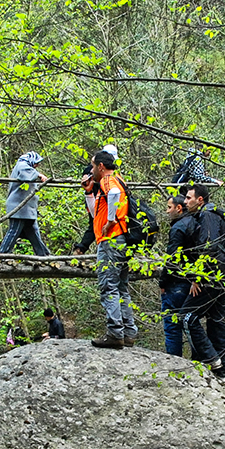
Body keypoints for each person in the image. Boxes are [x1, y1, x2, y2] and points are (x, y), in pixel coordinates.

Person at [88, 148, 139, 348]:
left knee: (108, 286)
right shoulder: (118, 179)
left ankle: (115, 333)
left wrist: (110, 222)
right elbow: (95, 213)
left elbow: (115, 194)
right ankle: (128, 332)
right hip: (123, 241)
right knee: (121, 287)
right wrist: (88, 192)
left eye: (93, 166)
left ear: (101, 166)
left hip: (111, 240)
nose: (91, 170)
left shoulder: (108, 180)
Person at [183, 184, 225, 375]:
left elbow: (209, 246)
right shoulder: (217, 215)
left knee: (186, 316)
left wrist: (197, 277)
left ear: (200, 200)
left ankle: (211, 359)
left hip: (211, 274)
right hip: (222, 273)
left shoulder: (208, 215)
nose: (185, 202)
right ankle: (222, 372)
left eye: (188, 198)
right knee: (218, 321)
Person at [157, 195, 195, 358]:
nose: (167, 211)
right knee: (191, 324)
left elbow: (172, 258)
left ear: (178, 208)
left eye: (169, 207)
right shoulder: (195, 223)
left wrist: (163, 281)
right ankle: (200, 360)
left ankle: (174, 362)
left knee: (172, 326)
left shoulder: (179, 227)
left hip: (177, 282)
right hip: (192, 280)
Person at [0, 151, 50, 254]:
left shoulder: (28, 168)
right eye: (36, 163)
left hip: (27, 209)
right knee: (14, 230)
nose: (37, 165)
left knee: (34, 233)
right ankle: (3, 253)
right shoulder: (22, 165)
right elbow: (25, 175)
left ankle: (43, 254)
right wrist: (38, 174)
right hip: (19, 208)